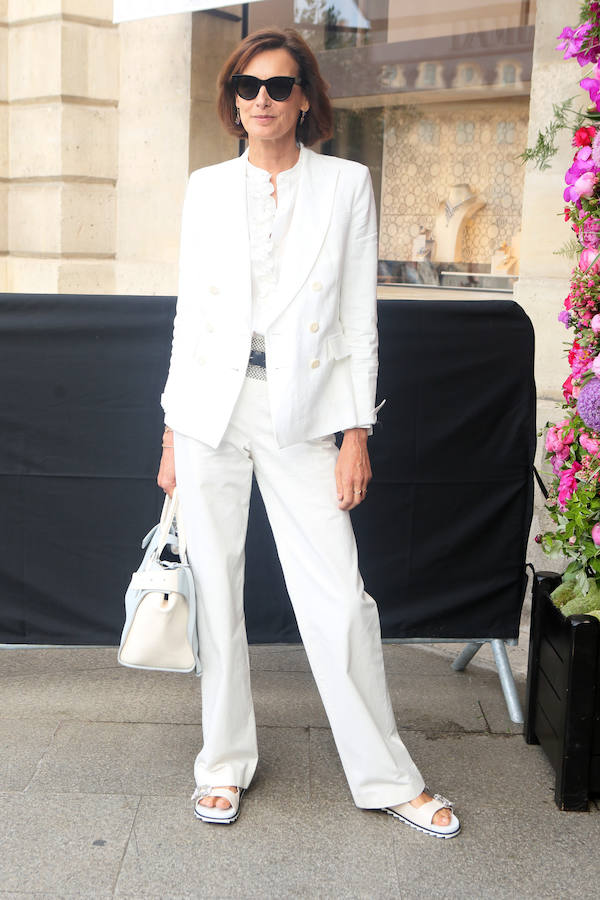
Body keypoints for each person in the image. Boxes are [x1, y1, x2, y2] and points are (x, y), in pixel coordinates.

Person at [157, 26, 460, 839]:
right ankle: (222, 764)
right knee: (215, 591)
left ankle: (387, 774)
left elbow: (360, 320)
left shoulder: (347, 185)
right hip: (209, 411)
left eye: (279, 86)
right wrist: (171, 435)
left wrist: (355, 431)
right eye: (248, 87)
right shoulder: (205, 189)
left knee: (338, 597)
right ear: (233, 101)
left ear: (304, 99)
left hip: (304, 413)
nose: (262, 99)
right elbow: (190, 317)